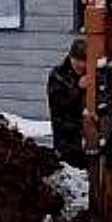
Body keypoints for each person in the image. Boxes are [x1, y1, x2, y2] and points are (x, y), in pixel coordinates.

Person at [47, 36, 88, 169]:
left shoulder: (90, 74)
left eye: (84, 61)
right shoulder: (58, 74)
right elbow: (59, 102)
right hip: (66, 137)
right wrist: (78, 88)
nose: (81, 65)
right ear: (70, 57)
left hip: (85, 136)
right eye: (78, 61)